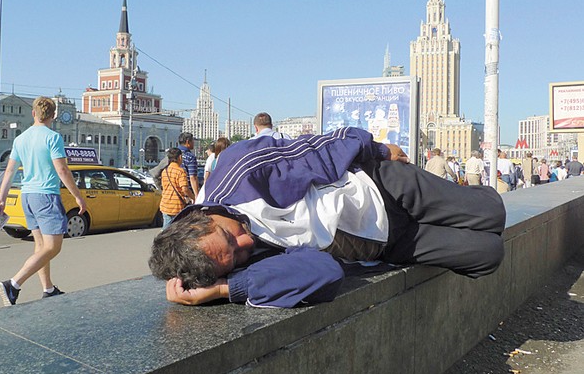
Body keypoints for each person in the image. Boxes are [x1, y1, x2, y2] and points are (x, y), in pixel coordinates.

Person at [149, 127, 506, 308]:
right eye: (236, 257)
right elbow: (325, 272)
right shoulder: (236, 266)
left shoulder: (238, 171)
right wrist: (225, 289)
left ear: (203, 214)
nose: (245, 244)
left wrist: (379, 149)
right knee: (488, 255)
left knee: (491, 212)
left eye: (230, 237)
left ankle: (473, 199)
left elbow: (316, 149)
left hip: (382, 186)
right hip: (387, 244)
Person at [0, 96, 87, 306]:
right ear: (53, 116)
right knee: (53, 247)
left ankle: (48, 288)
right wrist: (78, 196)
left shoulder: (21, 138)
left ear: (33, 113)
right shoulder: (53, 137)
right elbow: (62, 169)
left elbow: (9, 170)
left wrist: (1, 198)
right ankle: (13, 284)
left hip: (27, 196)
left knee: (41, 246)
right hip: (46, 196)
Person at [160, 148, 193, 229]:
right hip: (177, 206)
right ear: (180, 157)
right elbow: (185, 189)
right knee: (178, 230)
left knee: (166, 230)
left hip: (165, 204)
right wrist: (193, 197)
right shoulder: (180, 171)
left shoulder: (165, 171)